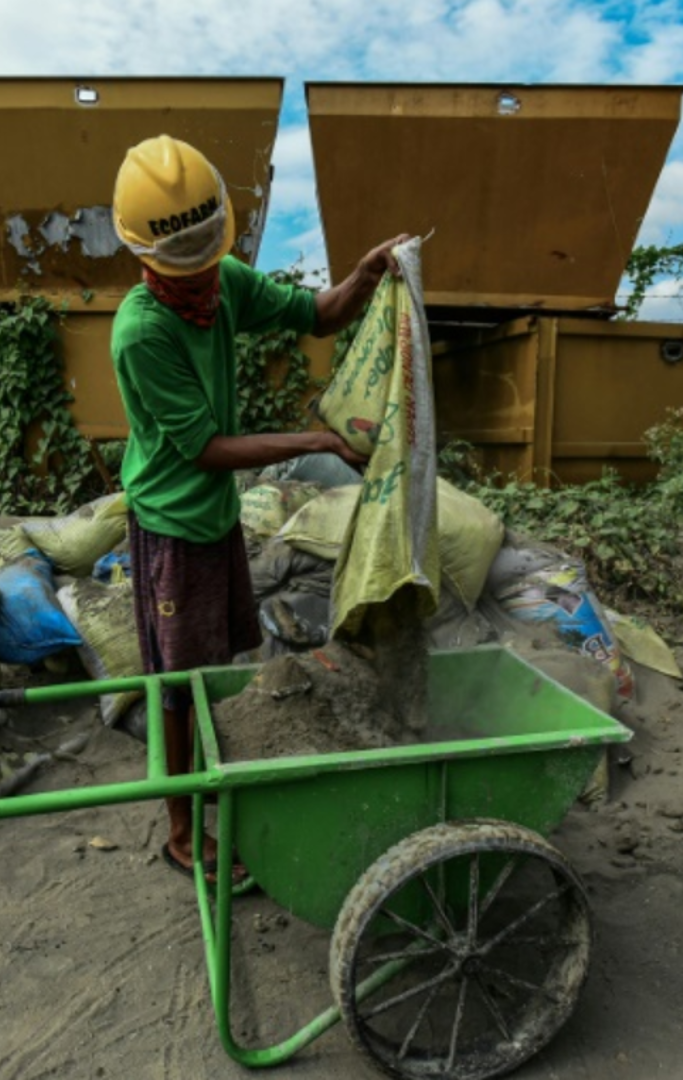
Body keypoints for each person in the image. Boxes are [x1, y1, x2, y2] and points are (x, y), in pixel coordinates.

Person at [110, 134, 406, 882]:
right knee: (178, 684)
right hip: (173, 525)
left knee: (220, 664)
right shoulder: (144, 331)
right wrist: (314, 439)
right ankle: (182, 832)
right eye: (185, 278)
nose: (203, 289)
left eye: (209, 266)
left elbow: (320, 313)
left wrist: (367, 275)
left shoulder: (221, 281)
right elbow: (205, 447)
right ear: (146, 262)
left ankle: (219, 785)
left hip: (214, 519)